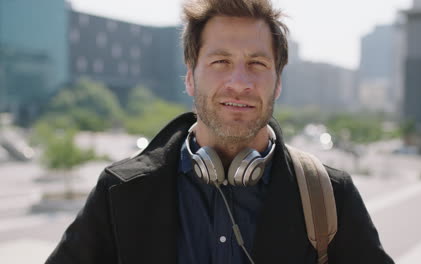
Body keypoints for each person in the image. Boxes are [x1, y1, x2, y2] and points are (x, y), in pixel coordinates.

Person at [46, 0, 395, 263]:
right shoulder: (119, 192)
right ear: (189, 76)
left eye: (257, 64)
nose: (239, 82)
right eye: (220, 62)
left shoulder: (330, 196)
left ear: (277, 84)